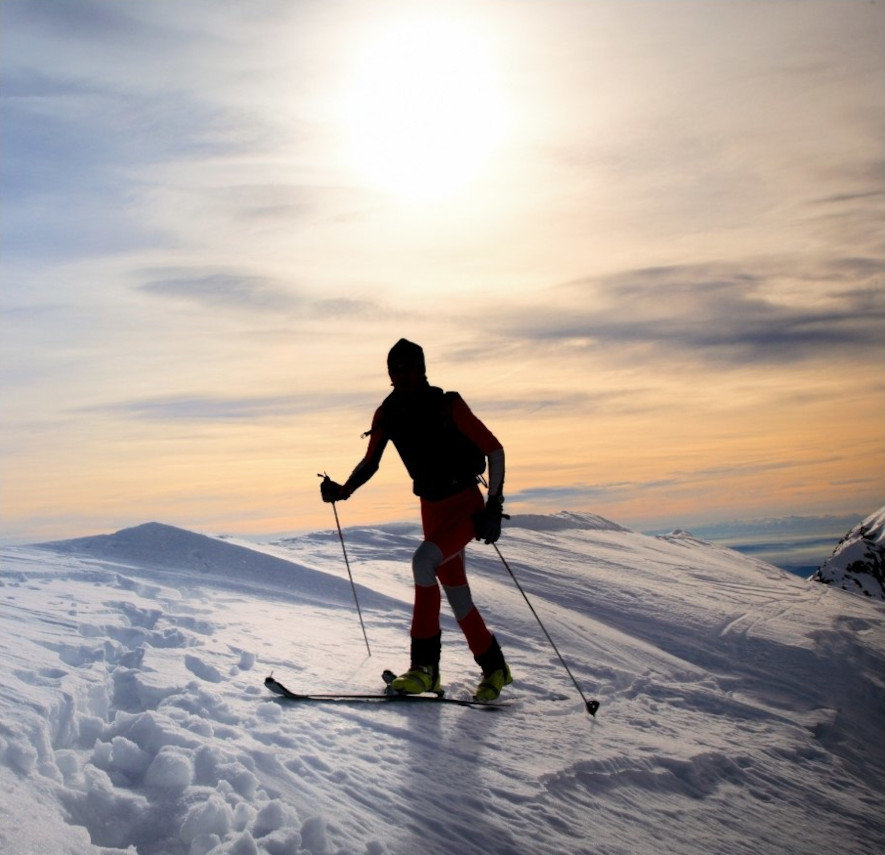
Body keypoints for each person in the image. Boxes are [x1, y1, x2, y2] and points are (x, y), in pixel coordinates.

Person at [320, 338, 512, 702]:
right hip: (432, 509)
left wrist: (493, 507)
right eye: (395, 369)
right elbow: (371, 461)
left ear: (422, 368)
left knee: (423, 561)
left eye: (408, 367)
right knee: (457, 595)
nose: (401, 375)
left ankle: (425, 669)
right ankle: (495, 668)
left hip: (465, 506)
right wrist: (343, 490)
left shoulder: (448, 404)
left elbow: (494, 449)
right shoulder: (388, 412)